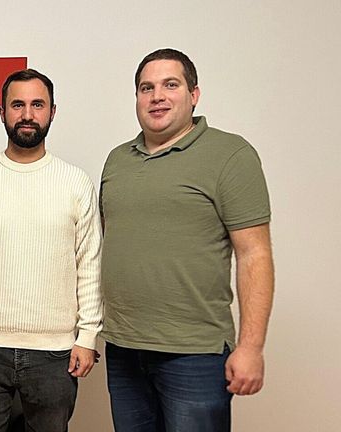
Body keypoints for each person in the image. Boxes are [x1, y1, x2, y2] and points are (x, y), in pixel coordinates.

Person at [99, 48, 275, 431]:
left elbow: (254, 254)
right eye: (146, 87)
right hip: (124, 349)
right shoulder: (117, 161)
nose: (157, 96)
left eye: (170, 85)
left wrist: (251, 348)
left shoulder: (230, 155)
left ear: (194, 95)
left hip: (195, 355)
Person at [0, 69, 103, 432]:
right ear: (2, 113)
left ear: (52, 112)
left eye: (37, 104)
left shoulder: (76, 182)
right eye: (17, 104)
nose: (27, 114)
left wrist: (87, 335)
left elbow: (89, 263)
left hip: (56, 351)